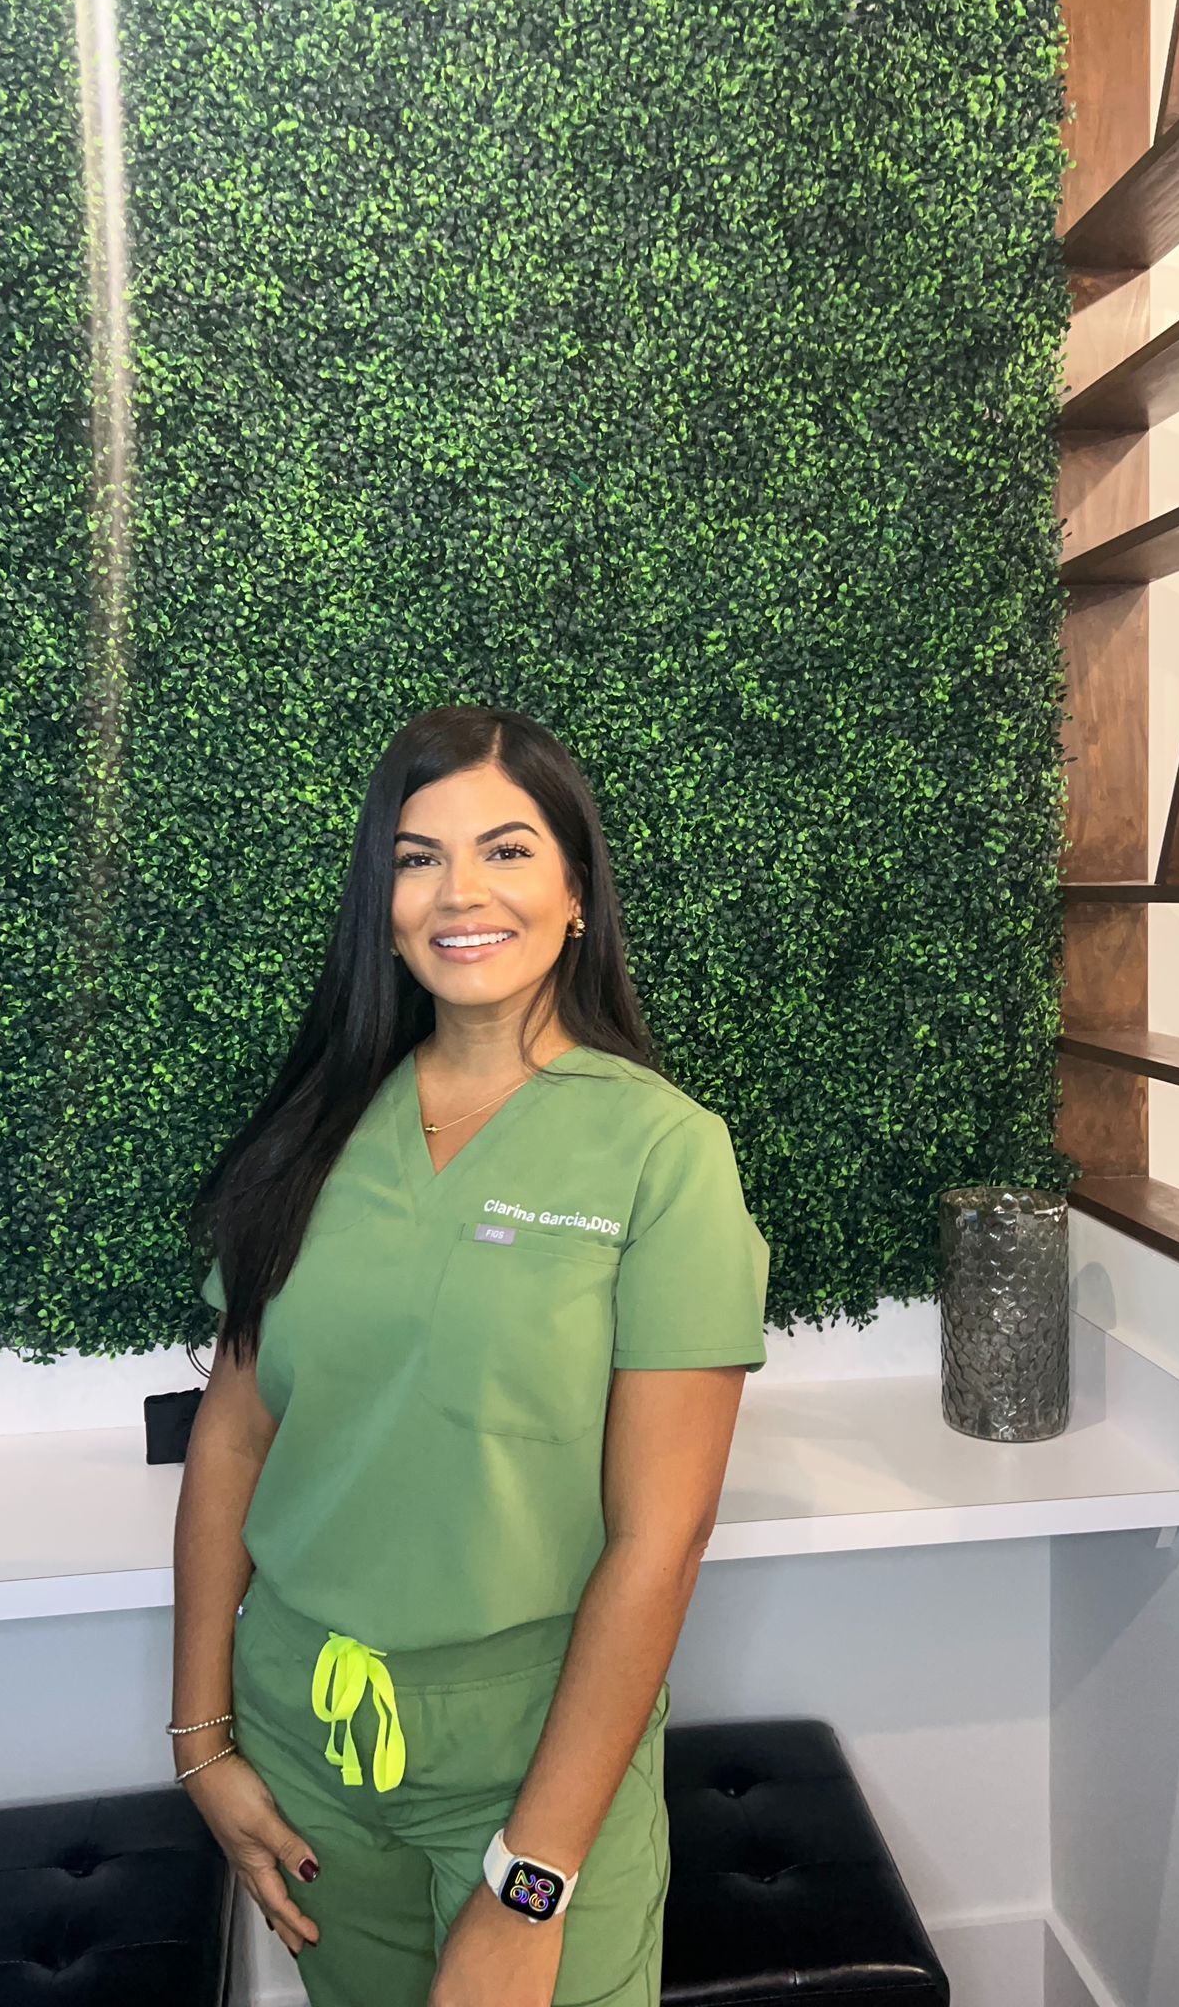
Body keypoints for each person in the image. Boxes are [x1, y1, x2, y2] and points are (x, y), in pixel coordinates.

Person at [172, 704, 770, 2007]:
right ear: (382, 902)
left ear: (574, 894)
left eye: (505, 851)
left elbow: (657, 1541)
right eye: (415, 856)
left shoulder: (663, 1153)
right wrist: (204, 1740)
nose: (459, 893)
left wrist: (535, 1880)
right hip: (303, 1734)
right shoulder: (317, 1131)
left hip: (536, 1760)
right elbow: (233, 1434)